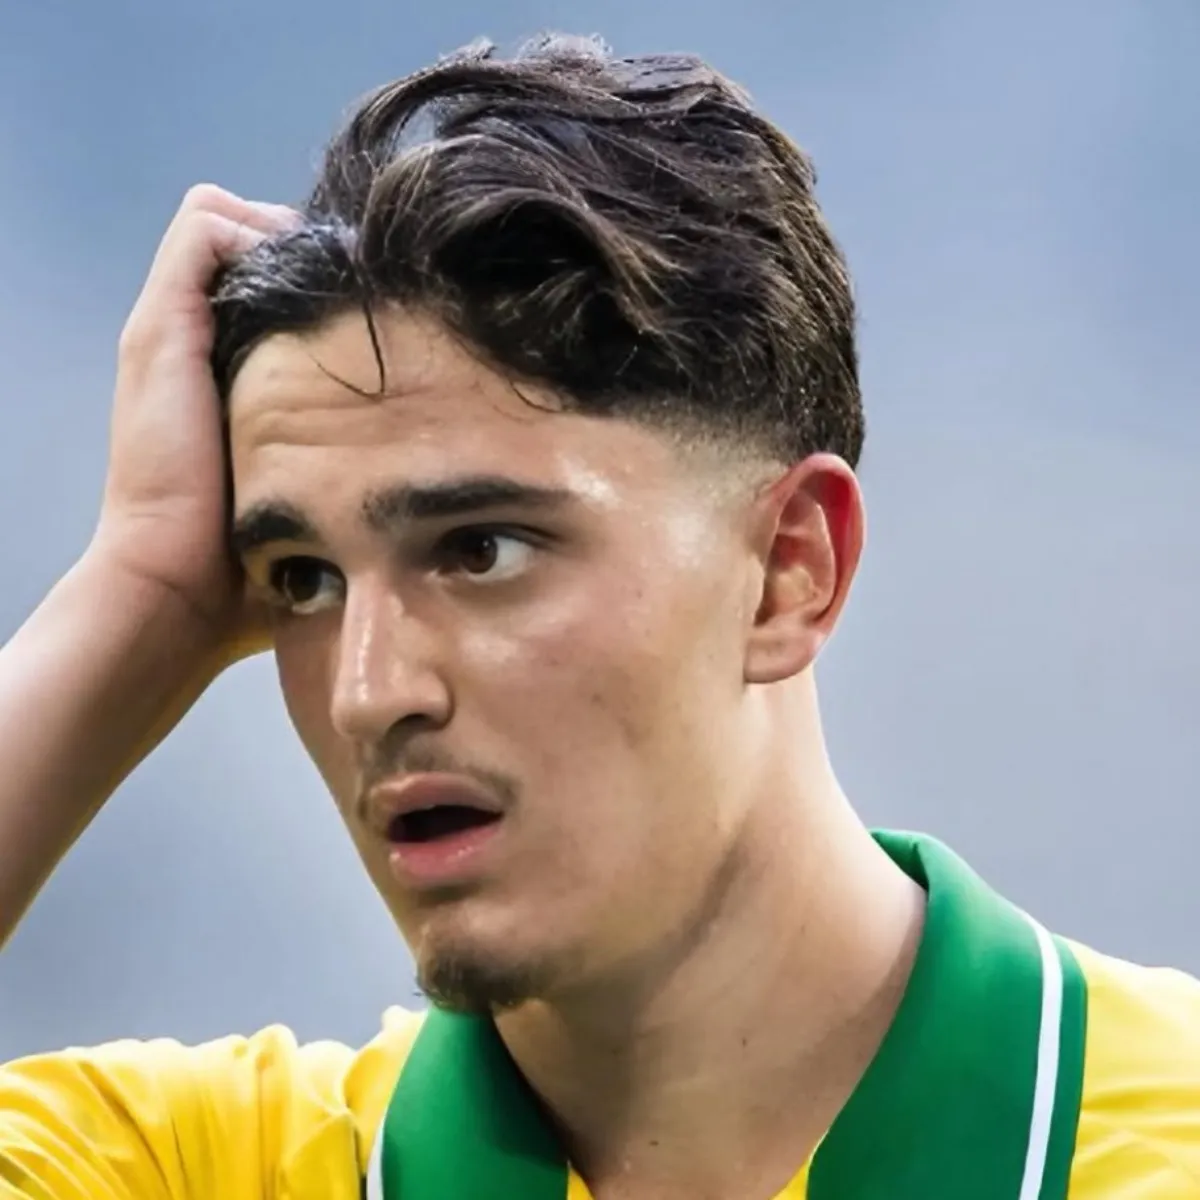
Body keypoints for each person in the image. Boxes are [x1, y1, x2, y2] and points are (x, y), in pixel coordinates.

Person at [0, 33, 1197, 1200]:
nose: (368, 693)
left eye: (481, 550)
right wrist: (140, 592)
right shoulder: (188, 1167)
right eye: (304, 579)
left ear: (791, 568)